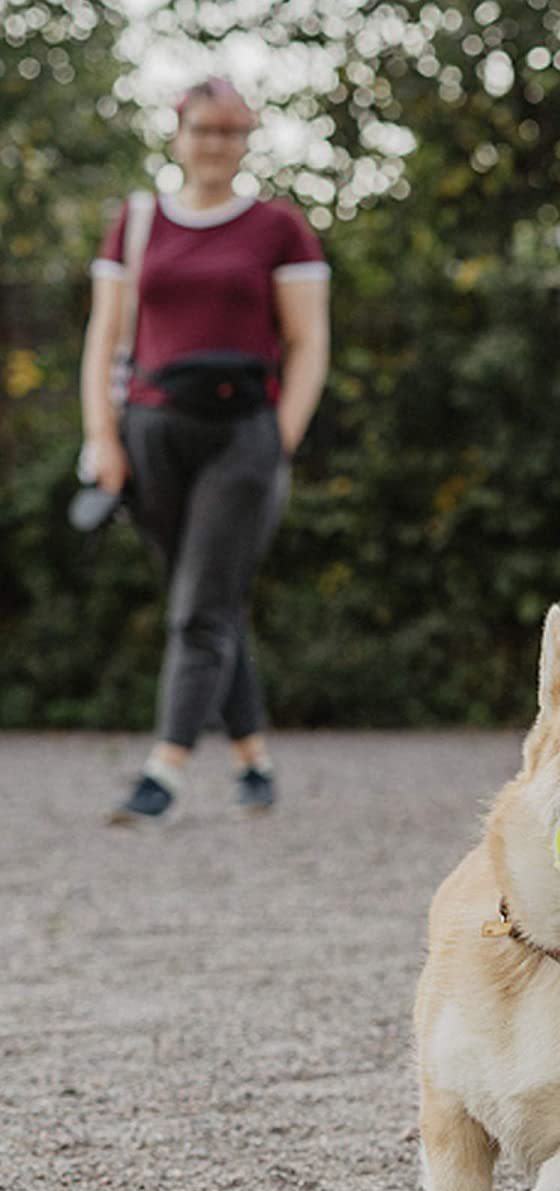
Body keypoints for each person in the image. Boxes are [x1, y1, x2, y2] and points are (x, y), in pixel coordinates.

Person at [79, 78, 330, 824]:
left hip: (242, 433)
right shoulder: (137, 221)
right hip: (152, 430)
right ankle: (253, 758)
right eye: (203, 129)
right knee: (207, 601)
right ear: (177, 133)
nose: (216, 144)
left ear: (247, 140)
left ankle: (163, 773)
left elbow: (309, 340)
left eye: (232, 131)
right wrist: (102, 434)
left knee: (200, 608)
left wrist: (281, 435)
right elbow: (104, 338)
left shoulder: (279, 228)